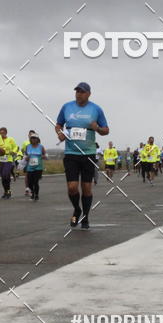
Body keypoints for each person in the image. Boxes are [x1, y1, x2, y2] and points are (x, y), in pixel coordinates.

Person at [55, 82, 109, 229]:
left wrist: (97, 128)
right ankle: (77, 209)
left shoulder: (96, 109)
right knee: (72, 187)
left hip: (88, 154)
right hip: (71, 153)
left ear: (89, 94)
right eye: (77, 91)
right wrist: (60, 133)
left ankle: (85, 217)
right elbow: (58, 124)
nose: (79, 94)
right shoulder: (67, 107)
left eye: (82, 92)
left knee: (86, 188)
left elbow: (106, 130)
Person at [24, 133, 47, 199]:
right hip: (30, 167)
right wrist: (26, 158)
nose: (33, 139)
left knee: (35, 181)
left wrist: (43, 156)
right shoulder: (28, 146)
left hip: (38, 167)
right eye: (32, 138)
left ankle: (36, 195)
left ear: (37, 139)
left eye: (34, 138)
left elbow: (45, 155)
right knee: (30, 182)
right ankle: (33, 192)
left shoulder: (41, 147)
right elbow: (25, 155)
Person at [0, 127, 18, 199]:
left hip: (8, 159)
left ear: (6, 133)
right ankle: (5, 191)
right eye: (0, 133)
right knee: (3, 177)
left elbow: (15, 147)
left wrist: (13, 151)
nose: (2, 134)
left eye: (3, 133)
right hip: (0, 160)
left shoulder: (10, 139)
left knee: (5, 174)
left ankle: (8, 191)